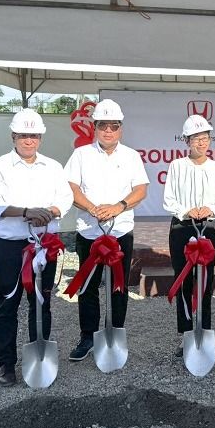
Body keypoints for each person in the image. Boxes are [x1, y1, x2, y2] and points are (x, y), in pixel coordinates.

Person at [0, 109, 73, 386]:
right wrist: (25, 211)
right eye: (23, 135)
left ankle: (38, 355)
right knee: (8, 304)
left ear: (40, 137)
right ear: (13, 136)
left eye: (34, 135)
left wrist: (52, 210)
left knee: (41, 304)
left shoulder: (53, 167)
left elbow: (64, 198)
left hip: (45, 245)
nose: (29, 141)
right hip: (11, 246)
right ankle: (6, 364)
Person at [64, 99, 148, 361]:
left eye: (113, 126)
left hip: (120, 231)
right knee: (88, 287)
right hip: (89, 232)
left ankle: (115, 332)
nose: (108, 131)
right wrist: (91, 207)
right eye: (102, 126)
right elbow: (71, 188)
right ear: (95, 128)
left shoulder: (131, 156)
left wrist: (119, 206)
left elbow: (140, 190)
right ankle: (88, 336)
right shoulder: (81, 155)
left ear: (120, 129)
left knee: (119, 285)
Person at [163, 114, 215, 356]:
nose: (201, 143)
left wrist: (211, 209)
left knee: (205, 282)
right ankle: (186, 334)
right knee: (183, 280)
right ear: (186, 140)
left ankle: (204, 328)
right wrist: (186, 211)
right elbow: (168, 199)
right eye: (196, 138)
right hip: (182, 228)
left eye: (205, 138)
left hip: (208, 229)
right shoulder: (177, 166)